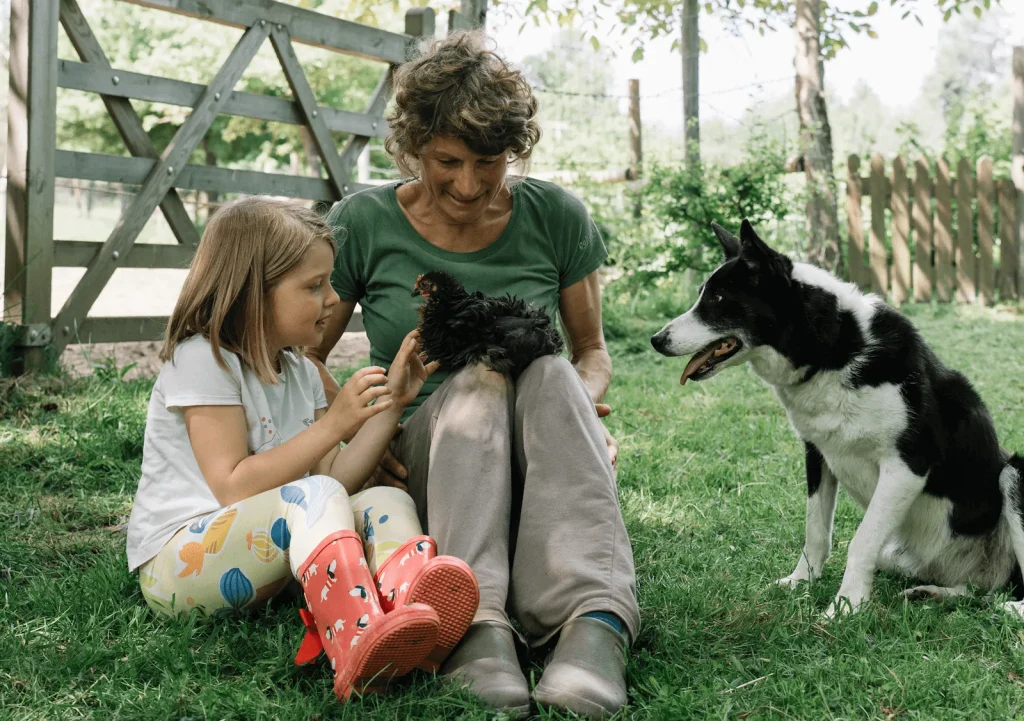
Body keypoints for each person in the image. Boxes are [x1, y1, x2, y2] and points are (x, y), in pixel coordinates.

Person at [309, 31, 639, 719]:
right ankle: (476, 619)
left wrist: (578, 411)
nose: (466, 183)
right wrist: (355, 441)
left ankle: (596, 618)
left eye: (487, 162)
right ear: (412, 147)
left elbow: (593, 352)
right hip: (435, 440)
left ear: (513, 152)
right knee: (480, 379)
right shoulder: (363, 222)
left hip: (541, 434)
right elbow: (301, 353)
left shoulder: (556, 217)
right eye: (446, 161)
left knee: (549, 371)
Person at [125, 198, 479, 702]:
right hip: (179, 566)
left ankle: (407, 615)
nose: (334, 299)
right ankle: (354, 638)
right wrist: (335, 422)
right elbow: (232, 485)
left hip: (265, 557)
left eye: (329, 281)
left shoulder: (301, 371)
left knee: (385, 499)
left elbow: (337, 477)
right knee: (308, 495)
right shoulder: (203, 359)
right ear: (252, 294)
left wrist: (392, 404)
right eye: (314, 286)